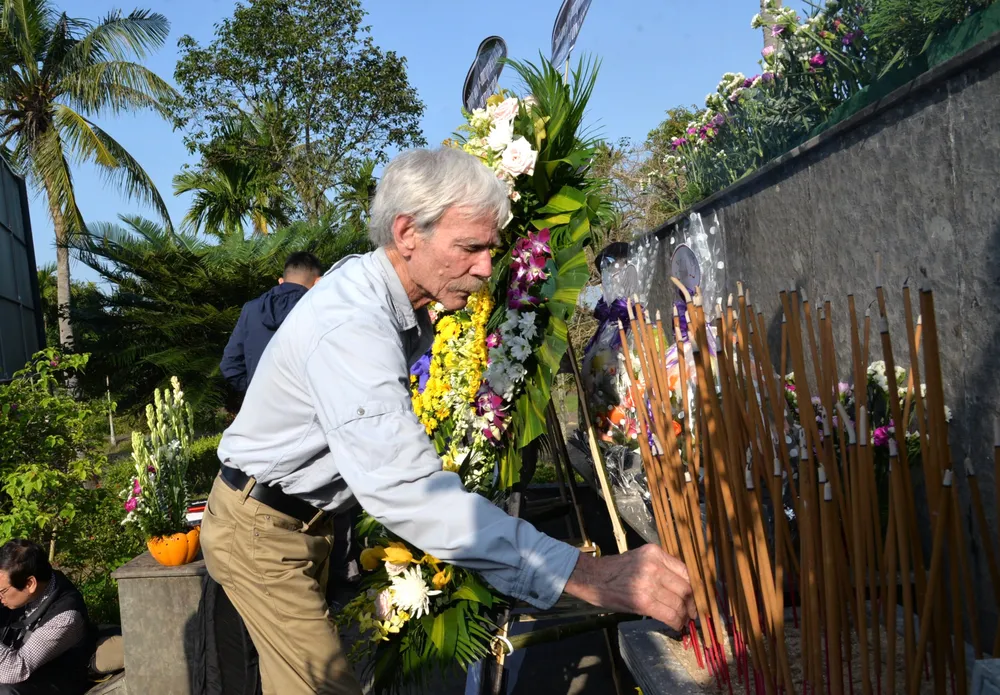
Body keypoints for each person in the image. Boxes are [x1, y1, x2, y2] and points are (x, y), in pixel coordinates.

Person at [200, 147, 696, 695]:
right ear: (407, 232)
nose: (485, 267)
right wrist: (589, 575)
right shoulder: (351, 326)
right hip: (261, 527)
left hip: (304, 522)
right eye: (470, 248)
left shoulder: (390, 295)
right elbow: (408, 492)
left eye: (490, 249)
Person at [220, 251, 325, 393]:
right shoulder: (320, 311)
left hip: (259, 402)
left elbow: (229, 364)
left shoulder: (251, 309)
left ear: (281, 281)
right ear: (318, 282)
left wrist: (254, 391)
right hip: (305, 403)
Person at [0, 540, 94, 695]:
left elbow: (15, 670)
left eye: (2, 591)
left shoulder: (66, 617)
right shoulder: (21, 588)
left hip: (52, 682)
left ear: (30, 584)